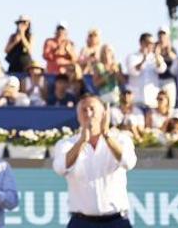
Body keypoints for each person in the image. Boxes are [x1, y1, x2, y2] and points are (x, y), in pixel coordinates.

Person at [53, 94, 137, 228]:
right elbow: (60, 168)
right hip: (81, 221)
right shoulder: (67, 144)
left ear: (104, 113)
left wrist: (107, 136)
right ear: (78, 116)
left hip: (116, 220)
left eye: (92, 109)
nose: (88, 114)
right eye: (83, 110)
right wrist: (82, 142)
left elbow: (128, 162)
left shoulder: (121, 139)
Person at [123, 33, 167, 109]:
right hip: (136, 100)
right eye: (149, 43)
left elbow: (162, 69)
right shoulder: (132, 56)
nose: (151, 45)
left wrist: (156, 56)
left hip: (152, 101)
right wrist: (143, 59)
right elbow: (133, 71)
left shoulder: (156, 57)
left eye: (153, 44)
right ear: (141, 43)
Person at [155, 26, 178, 109]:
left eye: (164, 35)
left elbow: (175, 59)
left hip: (169, 81)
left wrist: (168, 52)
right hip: (156, 81)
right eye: (160, 35)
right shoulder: (155, 48)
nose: (162, 37)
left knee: (170, 105)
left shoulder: (172, 49)